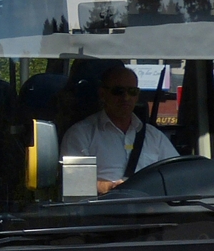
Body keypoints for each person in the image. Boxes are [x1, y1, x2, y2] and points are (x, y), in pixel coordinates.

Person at [60, 65, 177, 194]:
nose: (125, 98)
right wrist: (107, 187)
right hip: (101, 209)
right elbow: (74, 183)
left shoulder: (154, 136)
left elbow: (176, 175)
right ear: (103, 94)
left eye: (132, 91)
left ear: (137, 96)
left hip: (150, 208)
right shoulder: (81, 134)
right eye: (118, 91)